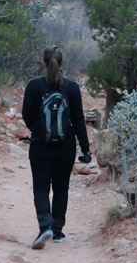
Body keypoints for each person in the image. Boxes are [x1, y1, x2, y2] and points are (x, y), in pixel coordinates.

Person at [20, 45, 90, 249]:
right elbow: (79, 121)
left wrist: (38, 130)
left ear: (43, 63)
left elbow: (27, 115)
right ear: (62, 63)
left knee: (41, 188)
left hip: (40, 145)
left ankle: (45, 226)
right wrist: (85, 150)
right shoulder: (73, 88)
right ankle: (57, 231)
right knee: (61, 188)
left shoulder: (34, 86)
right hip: (66, 147)